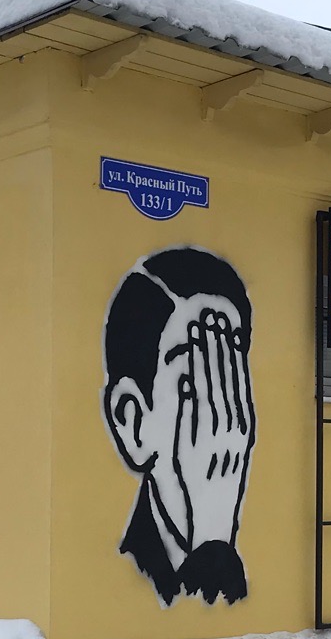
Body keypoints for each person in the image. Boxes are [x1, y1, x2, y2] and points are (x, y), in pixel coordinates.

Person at [102, 248, 255, 605]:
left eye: (227, 379)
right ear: (132, 422)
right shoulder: (130, 570)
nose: (225, 422)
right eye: (194, 384)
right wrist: (212, 541)